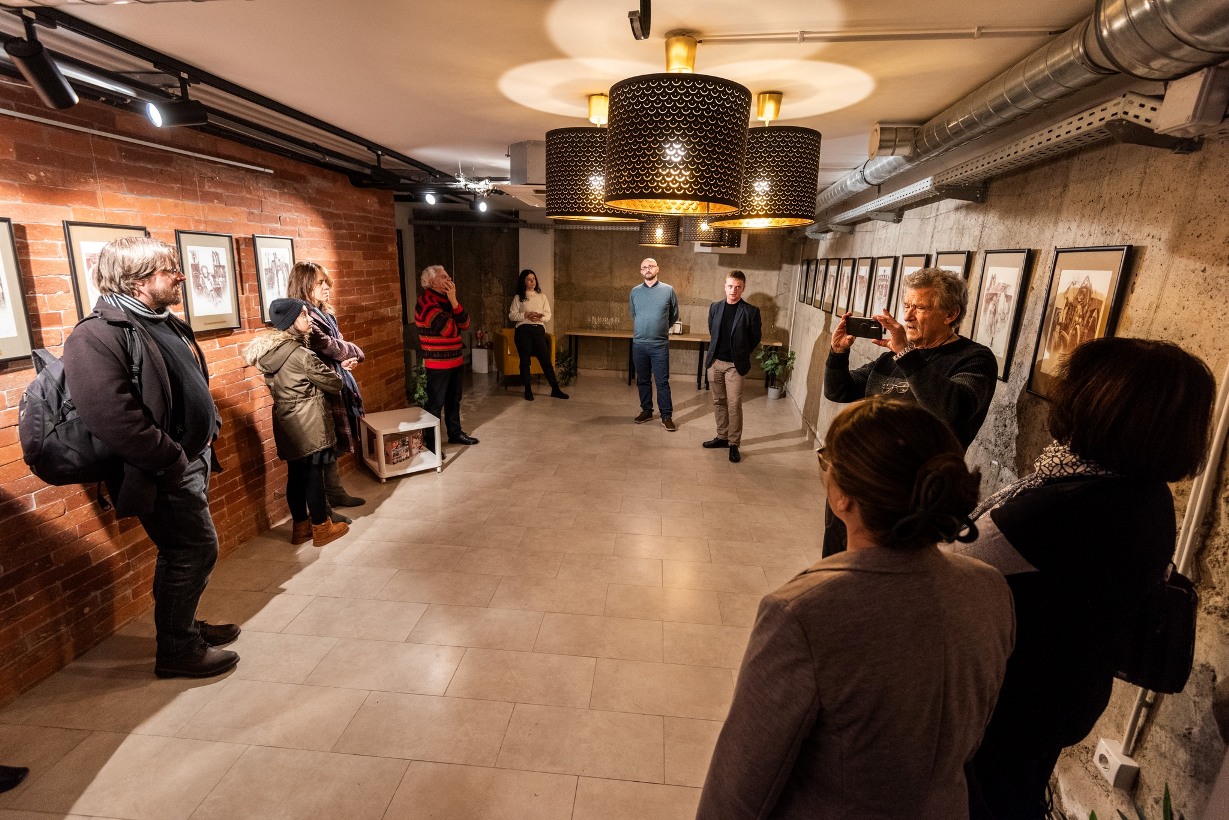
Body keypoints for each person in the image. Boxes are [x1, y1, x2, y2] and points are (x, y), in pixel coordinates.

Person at [696, 398, 1014, 819]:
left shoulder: (803, 613)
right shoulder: (989, 587)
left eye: (827, 460)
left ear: (843, 496)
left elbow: (741, 785)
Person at [960, 338, 1215, 820]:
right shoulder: (1140, 492)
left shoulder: (1070, 506)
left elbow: (950, 565)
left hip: (1011, 702)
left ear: (1101, 403)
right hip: (1062, 694)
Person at [63, 236, 240, 679]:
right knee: (193, 550)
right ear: (136, 281)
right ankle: (177, 649)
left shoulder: (163, 321)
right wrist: (172, 460)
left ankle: (184, 628)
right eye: (168, 270)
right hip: (162, 469)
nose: (180, 276)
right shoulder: (96, 336)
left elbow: (191, 381)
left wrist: (210, 426)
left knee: (182, 552)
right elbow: (113, 417)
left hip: (191, 460)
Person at [822, 267, 997, 556]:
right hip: (859, 480)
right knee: (838, 563)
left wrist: (905, 354)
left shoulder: (974, 358)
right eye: (907, 306)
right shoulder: (892, 359)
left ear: (950, 314)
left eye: (920, 307)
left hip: (911, 498)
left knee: (894, 572)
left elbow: (952, 409)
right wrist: (838, 353)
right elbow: (838, 391)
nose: (908, 317)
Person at [244, 299, 350, 548]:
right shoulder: (302, 355)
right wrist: (341, 370)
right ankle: (322, 527)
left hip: (286, 422)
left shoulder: (269, 354)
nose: (310, 318)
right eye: (303, 315)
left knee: (296, 475)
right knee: (314, 475)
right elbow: (334, 384)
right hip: (309, 422)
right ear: (290, 322)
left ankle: (300, 528)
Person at [286, 261, 366, 516]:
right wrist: (355, 352)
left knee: (332, 443)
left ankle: (335, 491)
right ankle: (324, 508)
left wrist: (346, 361)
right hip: (316, 389)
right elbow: (328, 346)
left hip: (333, 381)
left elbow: (337, 346)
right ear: (304, 284)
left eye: (326, 283)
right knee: (322, 448)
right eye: (320, 283)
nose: (326, 287)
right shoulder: (302, 315)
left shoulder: (324, 313)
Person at [415, 264, 479, 445]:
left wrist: (454, 302)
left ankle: (455, 433)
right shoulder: (426, 303)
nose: (449, 279)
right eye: (444, 277)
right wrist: (455, 318)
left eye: (448, 276)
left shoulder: (448, 300)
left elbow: (465, 324)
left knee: (454, 401)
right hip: (437, 364)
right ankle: (432, 443)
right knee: (435, 405)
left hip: (455, 360)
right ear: (432, 281)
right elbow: (449, 330)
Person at [702, 270, 761, 463]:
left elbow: (755, 338)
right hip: (715, 363)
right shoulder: (715, 307)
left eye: (738, 287)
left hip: (735, 365)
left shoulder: (751, 311)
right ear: (725, 286)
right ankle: (722, 437)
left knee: (734, 404)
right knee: (719, 401)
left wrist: (741, 353)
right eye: (730, 286)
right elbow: (713, 331)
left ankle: (734, 443)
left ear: (743, 288)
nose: (733, 290)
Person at [629, 257, 680, 431]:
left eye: (651, 266)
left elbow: (674, 314)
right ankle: (647, 411)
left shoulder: (668, 290)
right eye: (644, 267)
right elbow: (634, 314)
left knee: (662, 381)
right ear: (640, 271)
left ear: (657, 269)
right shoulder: (635, 292)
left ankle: (666, 416)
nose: (648, 269)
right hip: (639, 344)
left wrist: (661, 328)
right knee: (643, 380)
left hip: (659, 345)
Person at [508, 268, 568, 401]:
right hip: (523, 331)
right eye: (529, 279)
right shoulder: (518, 297)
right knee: (525, 361)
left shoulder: (542, 296)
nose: (532, 281)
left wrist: (540, 317)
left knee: (545, 360)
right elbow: (512, 315)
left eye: (533, 278)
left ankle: (555, 389)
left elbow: (548, 314)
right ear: (524, 282)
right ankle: (528, 390)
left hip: (538, 330)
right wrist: (525, 315)